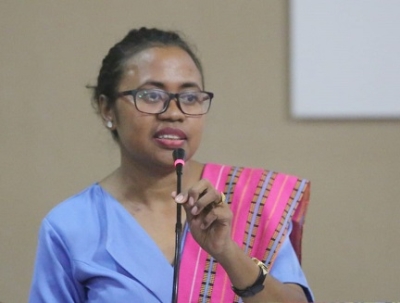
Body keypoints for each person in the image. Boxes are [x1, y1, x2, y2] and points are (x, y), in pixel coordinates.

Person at [29, 27, 314, 302]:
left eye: (190, 98)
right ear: (108, 109)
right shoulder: (71, 226)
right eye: (152, 96)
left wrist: (228, 252)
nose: (175, 113)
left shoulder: (252, 202)